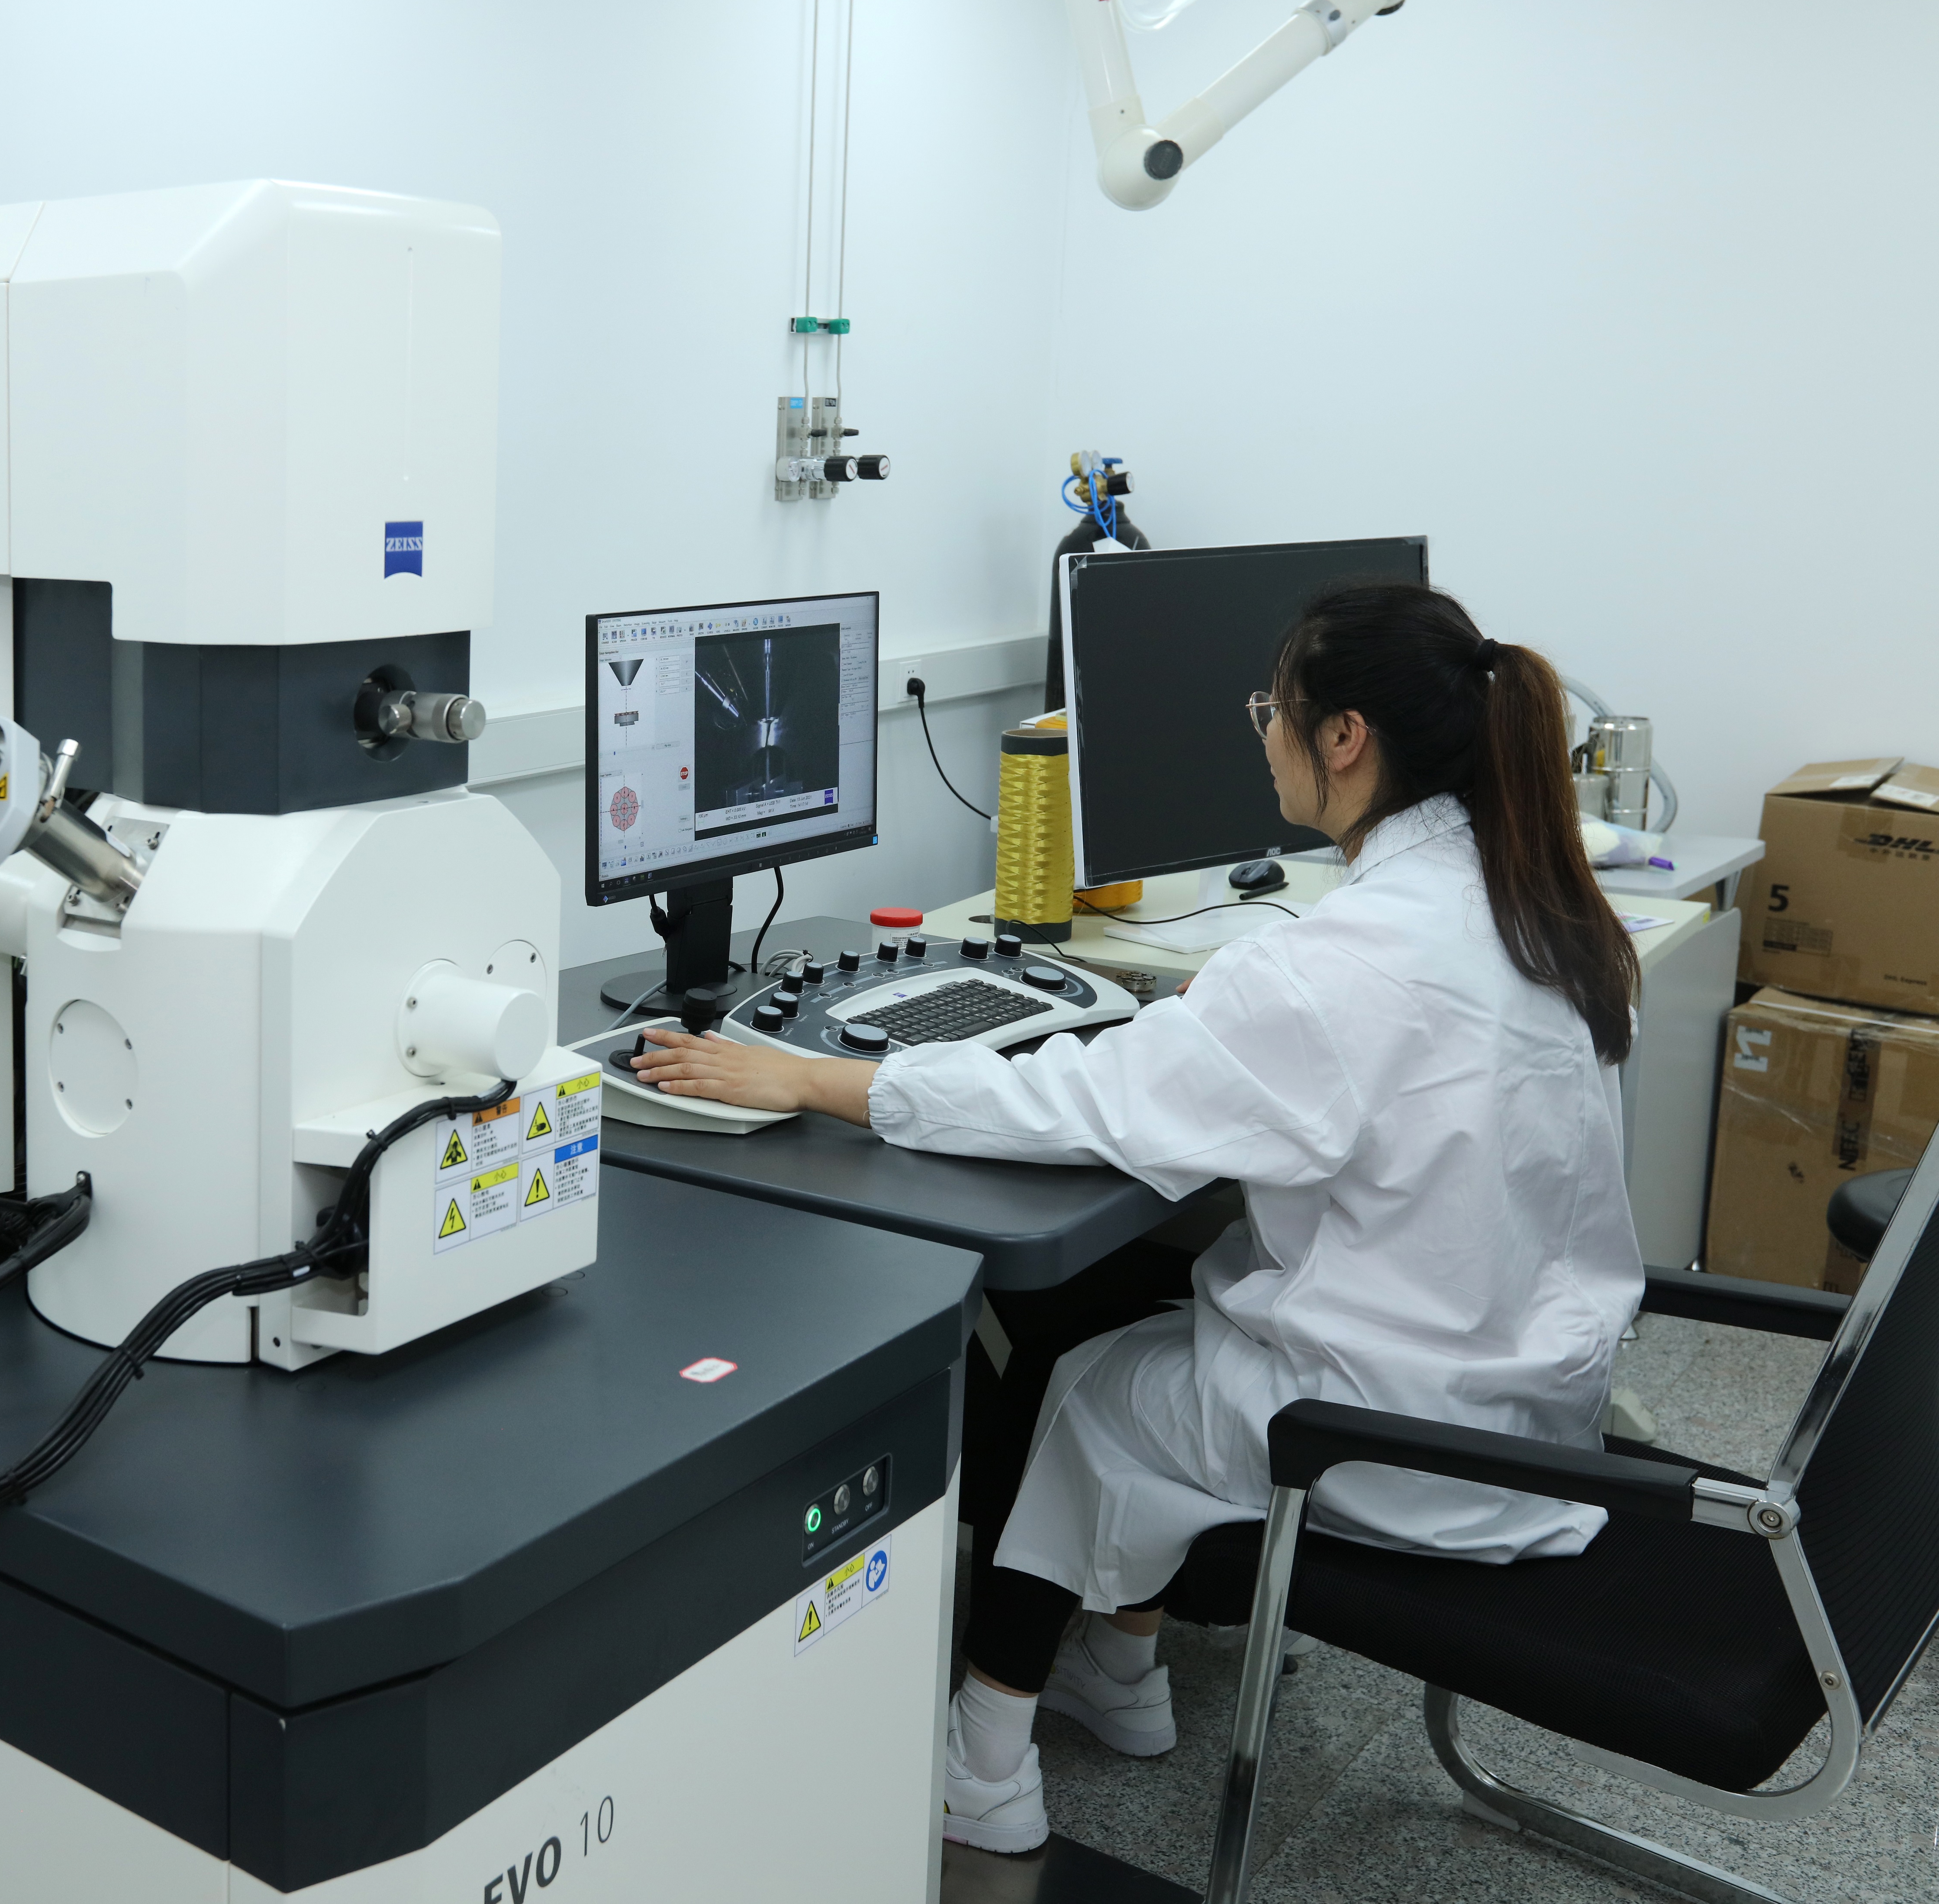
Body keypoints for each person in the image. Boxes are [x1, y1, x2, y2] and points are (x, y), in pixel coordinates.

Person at [628, 583, 1645, 1853]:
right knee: (1130, 1293)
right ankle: (1121, 1676)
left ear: (1344, 740)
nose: (1261, 732)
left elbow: (1080, 1101)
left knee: (1080, 1378)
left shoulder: (1340, 965)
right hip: (1526, 1414)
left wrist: (813, 1080)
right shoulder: (1536, 906)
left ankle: (983, 1769)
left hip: (1391, 1443)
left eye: (1273, 707)